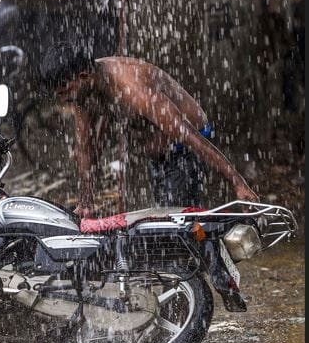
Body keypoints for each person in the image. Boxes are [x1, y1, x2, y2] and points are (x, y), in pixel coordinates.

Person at [36, 43, 259, 217]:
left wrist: (236, 181)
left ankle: (214, 272)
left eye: (65, 92)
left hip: (186, 145)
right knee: (169, 221)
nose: (64, 100)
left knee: (178, 224)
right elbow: (86, 149)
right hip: (162, 155)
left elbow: (187, 135)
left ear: (84, 76)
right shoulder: (84, 94)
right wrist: (86, 202)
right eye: (59, 95)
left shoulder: (132, 88)